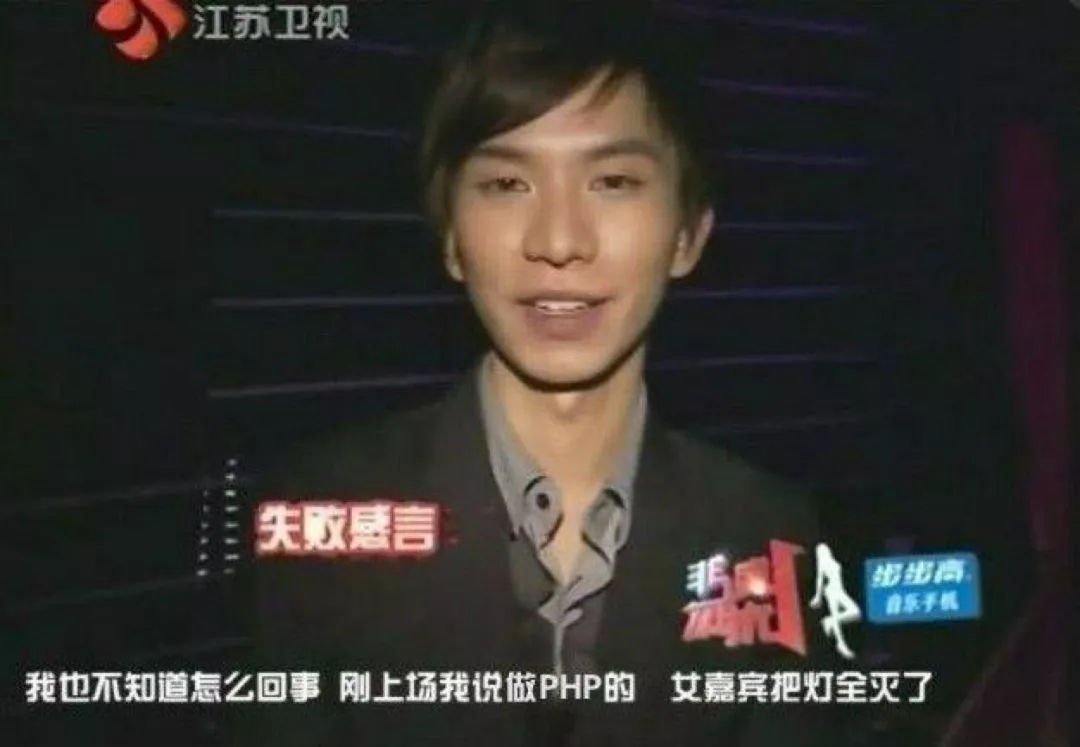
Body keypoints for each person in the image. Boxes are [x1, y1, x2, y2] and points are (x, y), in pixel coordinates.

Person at [232, 1, 842, 744]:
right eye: (506, 185)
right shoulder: (323, 508)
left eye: (613, 181)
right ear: (451, 239)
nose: (558, 240)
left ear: (688, 234)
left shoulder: (765, 528)